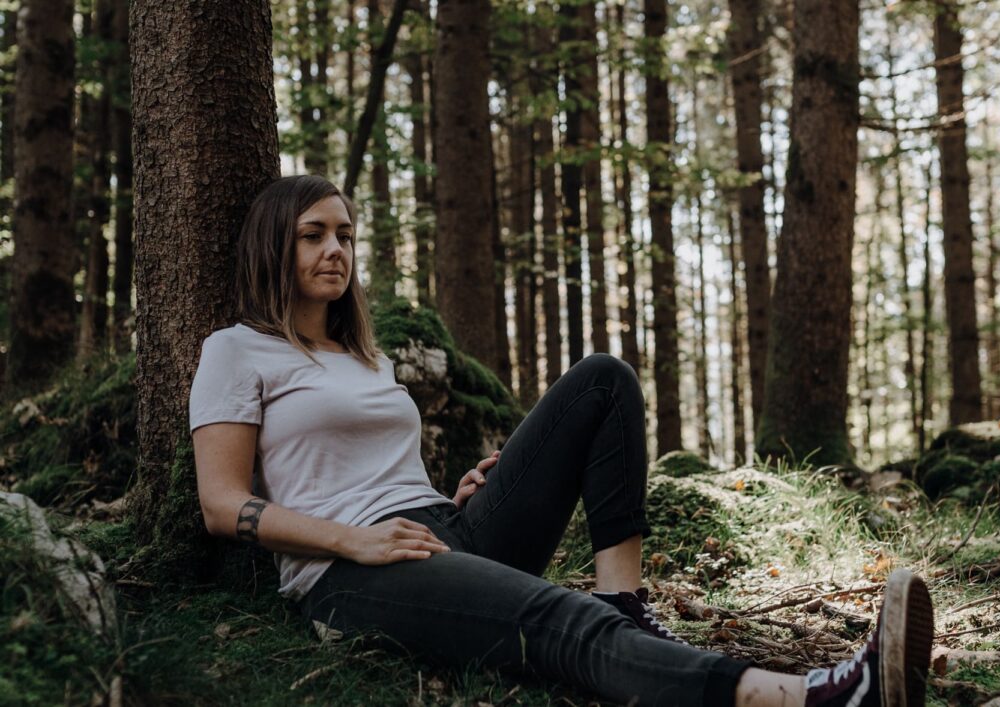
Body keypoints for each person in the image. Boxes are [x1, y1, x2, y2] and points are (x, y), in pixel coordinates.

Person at [190, 175, 934, 707]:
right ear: (272, 247)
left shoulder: (366, 355)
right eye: (312, 234)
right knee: (555, 616)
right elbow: (223, 505)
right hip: (347, 574)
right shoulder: (236, 350)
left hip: (441, 528)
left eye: (345, 234)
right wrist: (353, 542)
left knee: (603, 380)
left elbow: (373, 465)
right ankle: (812, 696)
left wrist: (453, 496)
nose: (335, 250)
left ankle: (626, 602)